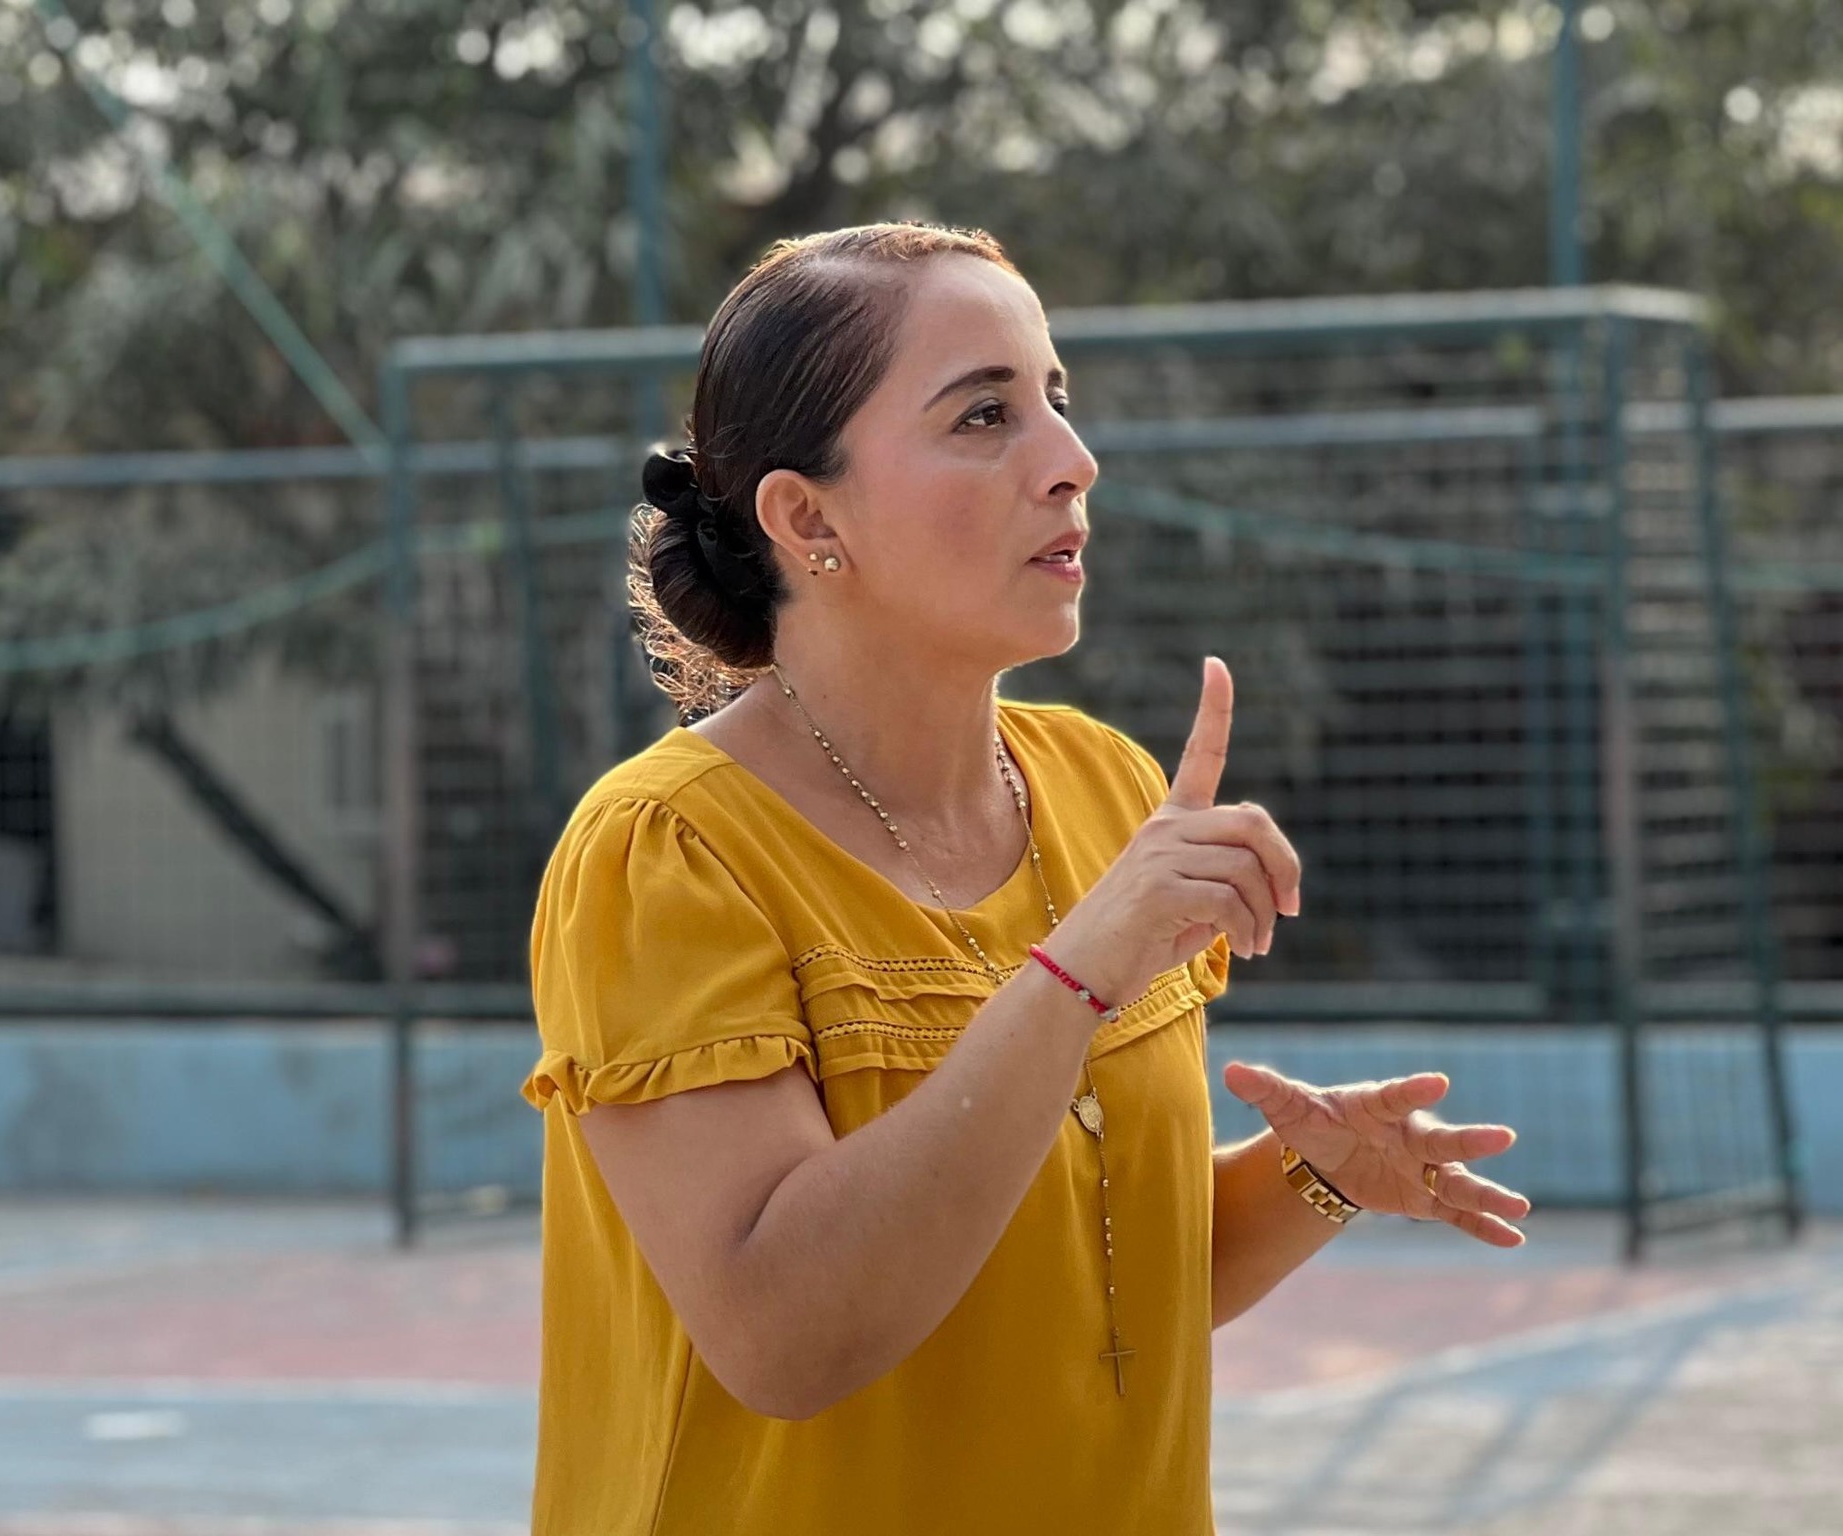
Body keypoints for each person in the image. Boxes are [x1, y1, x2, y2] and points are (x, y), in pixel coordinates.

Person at [522, 221, 1531, 1535]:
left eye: (1057, 398)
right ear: (808, 517)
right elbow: (786, 1337)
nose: (1071, 460)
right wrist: (1076, 974)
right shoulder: (668, 849)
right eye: (985, 415)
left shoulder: (1109, 790)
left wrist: (1311, 1178)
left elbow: (1087, 1284)